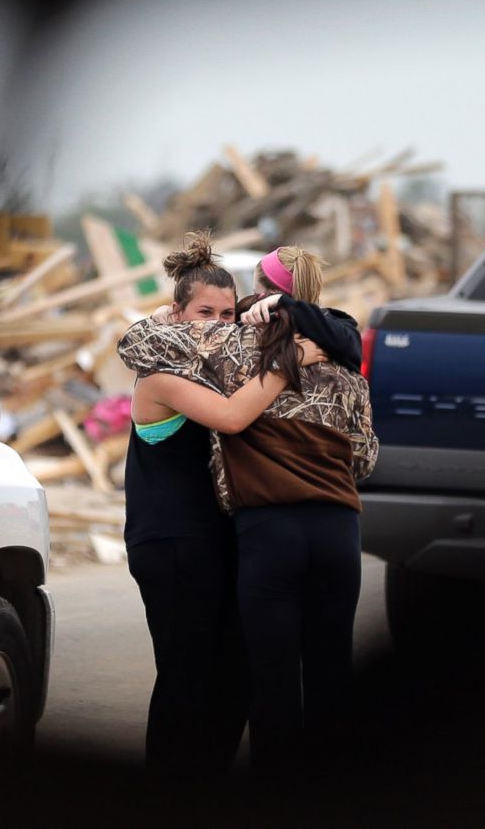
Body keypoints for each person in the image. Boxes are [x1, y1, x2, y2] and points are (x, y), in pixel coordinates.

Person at [118, 279, 378, 776]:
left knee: (254, 677)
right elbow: (360, 458)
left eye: (226, 314)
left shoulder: (231, 369)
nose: (218, 324)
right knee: (199, 673)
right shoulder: (172, 377)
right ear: (177, 313)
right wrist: (294, 361)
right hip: (187, 538)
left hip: (250, 536)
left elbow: (232, 415)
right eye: (204, 312)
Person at [239, 245, 363, 370]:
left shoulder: (337, 330)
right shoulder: (334, 326)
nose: (254, 302)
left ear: (269, 299)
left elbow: (348, 345)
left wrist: (283, 302)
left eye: (256, 294)